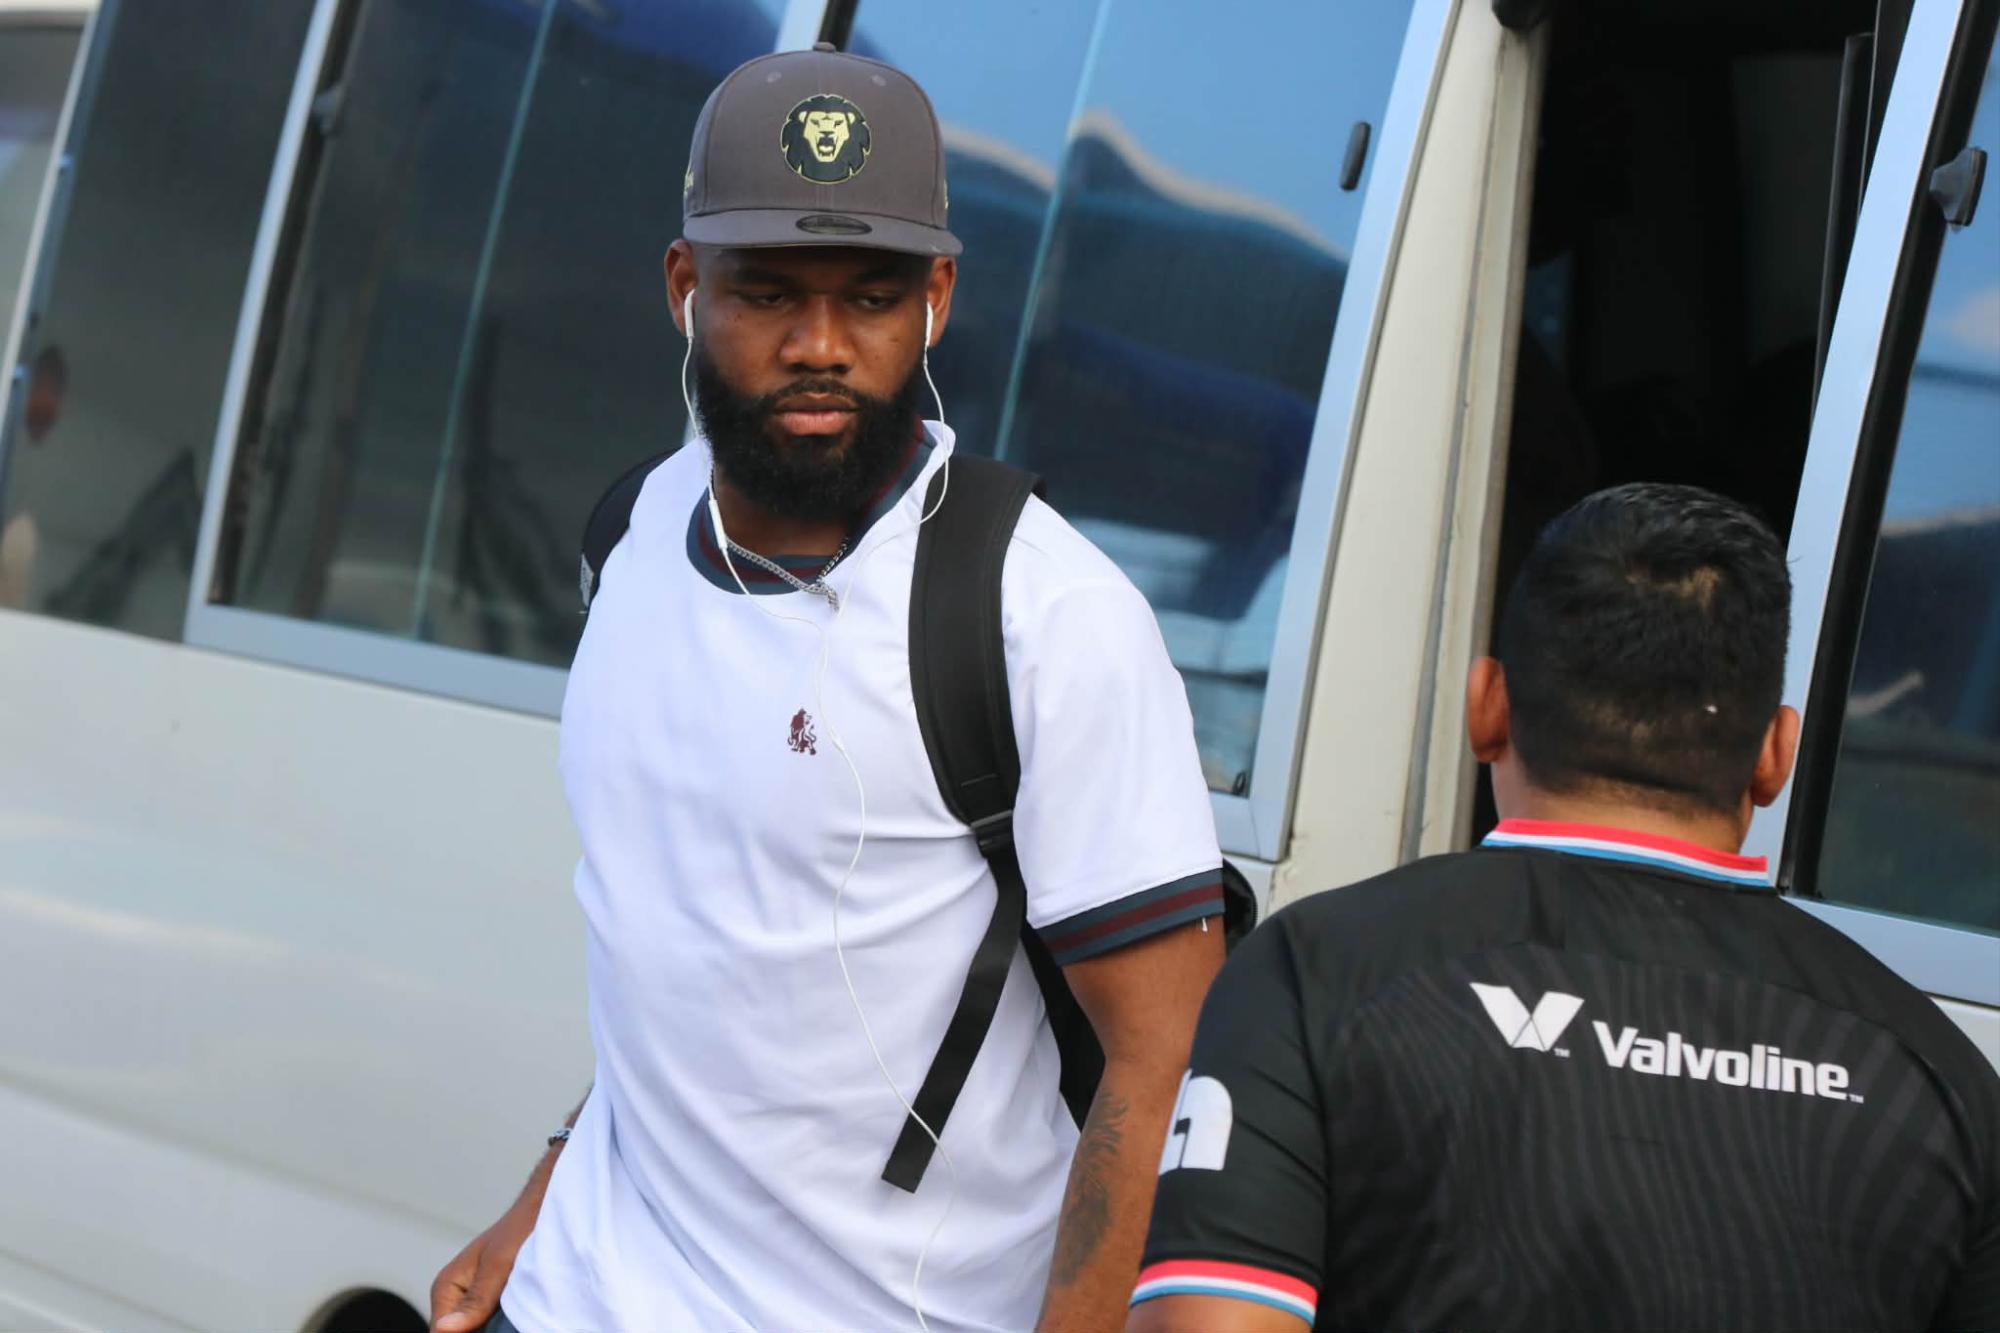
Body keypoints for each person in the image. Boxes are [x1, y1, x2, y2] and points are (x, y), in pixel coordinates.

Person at [430, 44, 1226, 1333]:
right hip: (583, 1293)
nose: (818, 346)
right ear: (685, 288)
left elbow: (1161, 1058)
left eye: (869, 295)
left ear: (938, 300)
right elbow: (688, 947)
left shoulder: (1043, 615)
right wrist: (545, 1191)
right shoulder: (631, 535)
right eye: (765, 293)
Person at [1130, 483, 2000, 1332]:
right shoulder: (1941, 1074)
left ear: (1487, 708)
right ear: (1776, 753)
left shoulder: (1314, 974)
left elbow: (1210, 1319)